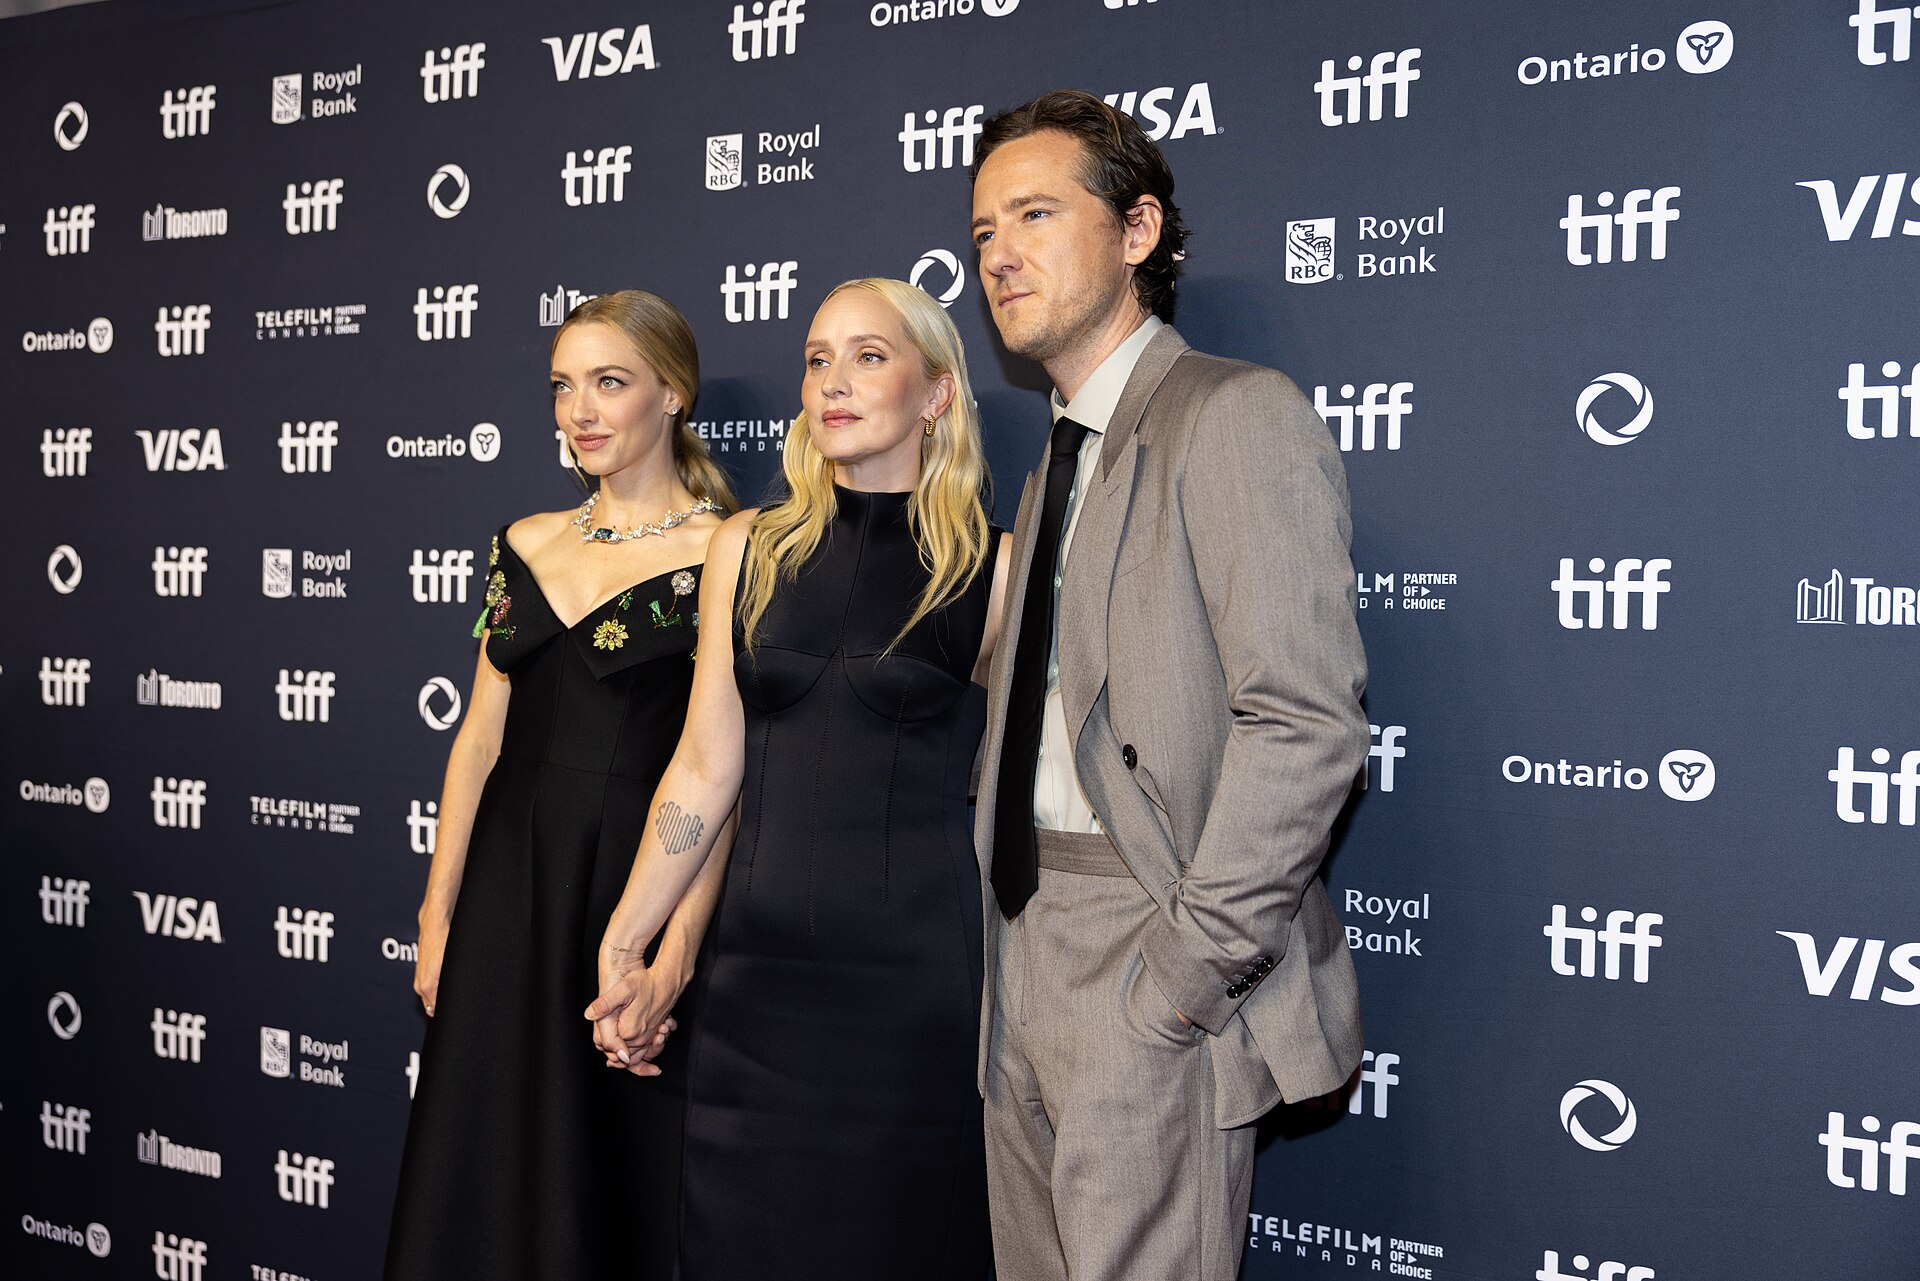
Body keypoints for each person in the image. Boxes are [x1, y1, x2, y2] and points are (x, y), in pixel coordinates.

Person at [967, 90, 1371, 1281]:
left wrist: (1188, 978)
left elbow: (1304, 722)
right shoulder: (1054, 458)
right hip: (1016, 943)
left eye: (1036, 214)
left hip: (1149, 946)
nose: (1000, 255)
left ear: (1137, 231)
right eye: (984, 230)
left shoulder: (1236, 417)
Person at [585, 277, 1008, 1280]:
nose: (833, 381)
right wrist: (627, 937)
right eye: (818, 358)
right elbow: (703, 766)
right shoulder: (748, 549)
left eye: (869, 356)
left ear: (936, 393)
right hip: (753, 984)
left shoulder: (994, 571)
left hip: (914, 990)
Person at [384, 290, 738, 1281]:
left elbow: (722, 785)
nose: (578, 409)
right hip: (504, 896)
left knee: (608, 1178)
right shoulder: (525, 542)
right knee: (480, 1166)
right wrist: (436, 915)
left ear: (672, 394)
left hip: (629, 890)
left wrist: (673, 953)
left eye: (609, 382)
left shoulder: (728, 554)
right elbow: (478, 739)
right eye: (562, 386)